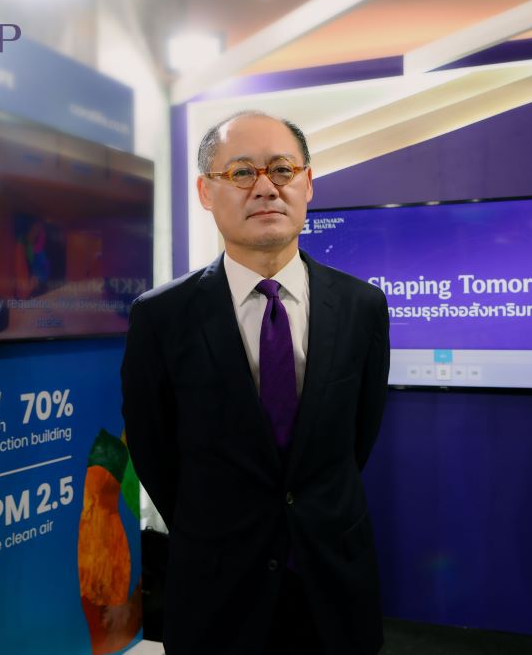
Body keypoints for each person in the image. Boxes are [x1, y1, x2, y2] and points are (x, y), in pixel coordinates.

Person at [121, 111, 390, 655]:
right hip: (217, 588)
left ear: (307, 183)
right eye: (242, 172)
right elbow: (154, 450)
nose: (266, 187)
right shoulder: (161, 316)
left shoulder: (361, 306)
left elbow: (357, 438)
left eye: (282, 169)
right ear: (205, 191)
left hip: (332, 582)